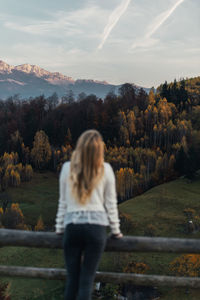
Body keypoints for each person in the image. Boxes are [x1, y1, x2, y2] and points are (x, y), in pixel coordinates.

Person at [55, 129, 123, 300]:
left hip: (72, 227)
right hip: (96, 228)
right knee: (86, 281)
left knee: (72, 280)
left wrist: (59, 228)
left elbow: (63, 202)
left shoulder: (66, 168)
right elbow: (111, 204)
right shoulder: (106, 169)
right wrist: (115, 231)